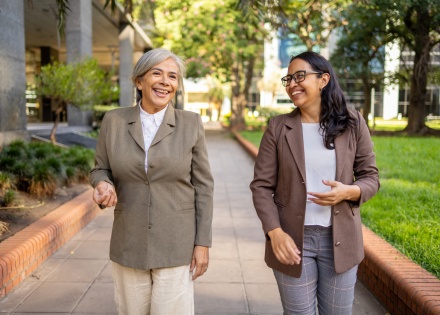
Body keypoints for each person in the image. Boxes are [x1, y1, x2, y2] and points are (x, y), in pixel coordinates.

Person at [250, 51, 379, 315]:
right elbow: (261, 187)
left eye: (300, 76)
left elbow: (370, 177)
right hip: (292, 239)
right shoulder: (278, 127)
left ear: (323, 80)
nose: (292, 84)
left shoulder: (353, 123)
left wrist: (349, 191)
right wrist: (275, 232)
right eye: (288, 79)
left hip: (340, 238)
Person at [89, 48, 214, 315]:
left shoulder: (190, 123)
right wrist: (103, 184)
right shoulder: (114, 121)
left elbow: (204, 186)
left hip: (176, 242)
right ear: (139, 80)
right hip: (129, 240)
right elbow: (100, 169)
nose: (165, 82)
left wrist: (202, 243)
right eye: (156, 73)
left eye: (172, 76)